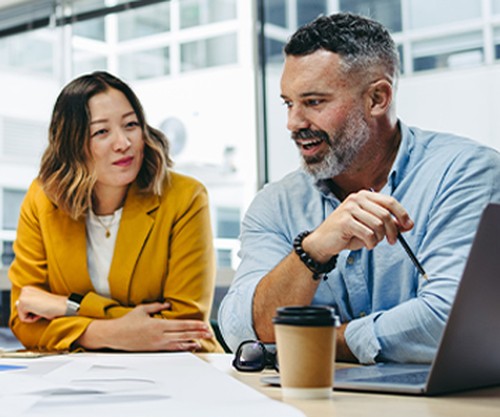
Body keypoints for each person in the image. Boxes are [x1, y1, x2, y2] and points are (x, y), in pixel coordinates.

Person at [219, 13, 500, 364]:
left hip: (447, 412)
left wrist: (318, 340)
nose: (293, 123)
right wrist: (313, 251)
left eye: (314, 102)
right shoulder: (274, 204)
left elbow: (450, 324)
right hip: (310, 409)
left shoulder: (465, 174)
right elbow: (240, 331)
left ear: (378, 98)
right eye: (288, 103)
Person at [9, 71, 222, 353]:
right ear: (72, 145)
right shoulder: (43, 198)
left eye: (131, 125)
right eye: (101, 132)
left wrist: (67, 307)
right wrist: (106, 333)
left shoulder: (185, 197)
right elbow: (24, 319)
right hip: (80, 374)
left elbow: (183, 326)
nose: (123, 143)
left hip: (179, 366)